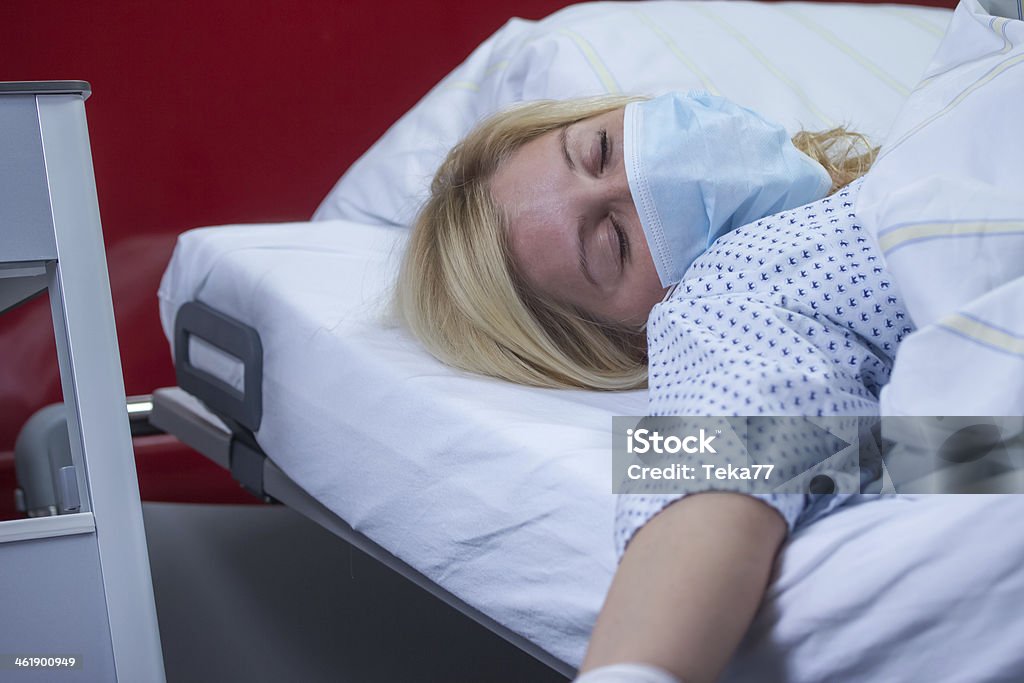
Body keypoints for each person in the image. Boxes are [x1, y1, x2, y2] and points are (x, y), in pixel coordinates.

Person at [393, 92, 906, 683]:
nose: (639, 185)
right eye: (614, 242)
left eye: (601, 150)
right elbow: (717, 440)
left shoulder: (898, 155)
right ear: (626, 341)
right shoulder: (723, 294)